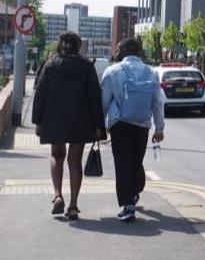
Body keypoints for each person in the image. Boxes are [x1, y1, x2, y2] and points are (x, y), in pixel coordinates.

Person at [32, 32, 105, 221]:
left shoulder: (50, 65)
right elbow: (94, 97)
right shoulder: (87, 67)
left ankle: (57, 195)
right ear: (78, 46)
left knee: (57, 156)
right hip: (80, 121)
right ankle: (73, 206)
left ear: (60, 46)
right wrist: (99, 125)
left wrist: (38, 121)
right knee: (74, 161)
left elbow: (40, 95)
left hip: (54, 119)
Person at [101, 38, 164, 222]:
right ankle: (135, 191)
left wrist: (100, 126)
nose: (117, 50)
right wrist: (159, 128)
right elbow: (158, 102)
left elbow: (104, 101)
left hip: (119, 123)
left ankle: (128, 205)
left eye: (119, 48)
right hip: (142, 124)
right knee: (136, 161)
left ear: (126, 50)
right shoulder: (150, 73)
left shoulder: (113, 71)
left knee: (123, 164)